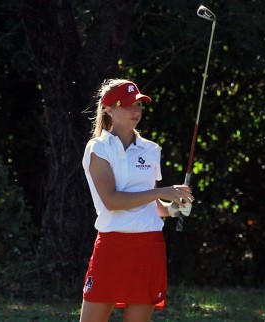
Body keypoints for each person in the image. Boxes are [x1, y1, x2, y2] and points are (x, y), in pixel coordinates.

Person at [80, 79, 194, 322]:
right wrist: (162, 191)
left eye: (140, 105)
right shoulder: (98, 147)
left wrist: (173, 208)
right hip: (112, 246)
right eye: (128, 105)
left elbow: (152, 206)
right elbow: (112, 200)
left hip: (148, 247)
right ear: (108, 109)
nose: (136, 111)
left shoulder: (151, 149)